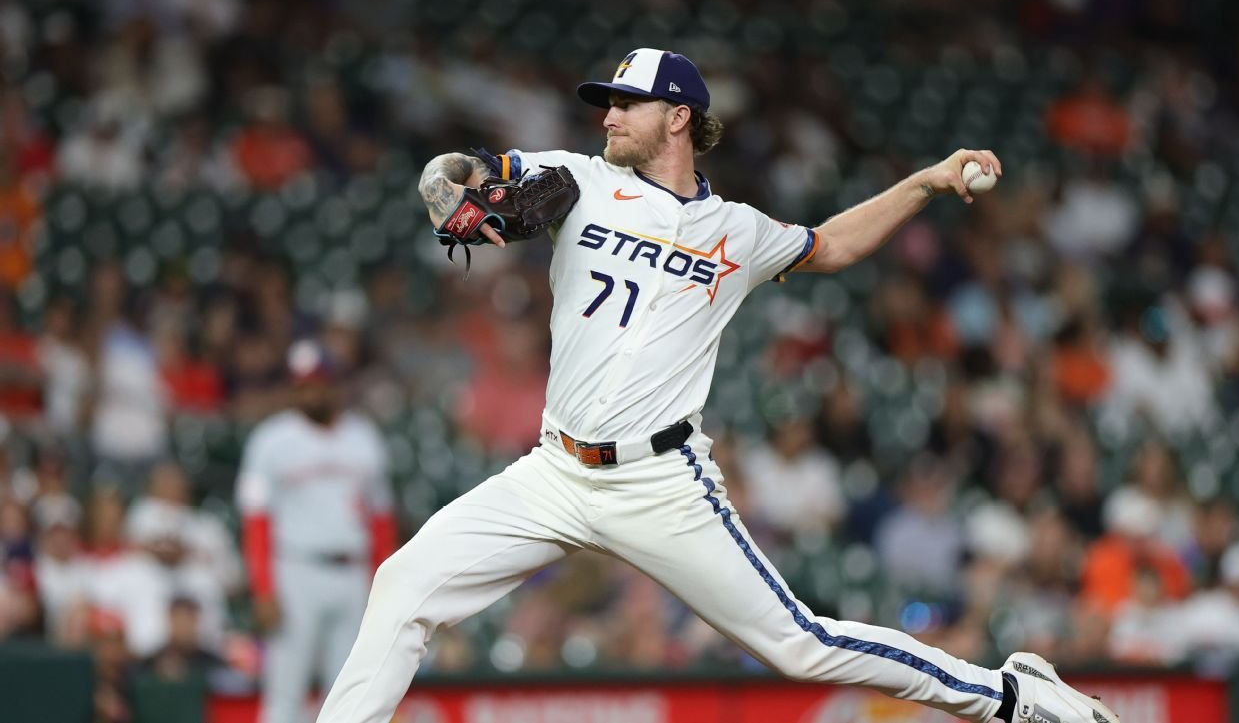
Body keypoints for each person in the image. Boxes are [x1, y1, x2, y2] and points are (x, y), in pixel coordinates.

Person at [318, 49, 1117, 723]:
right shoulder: (577, 179)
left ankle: (1009, 695)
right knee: (404, 584)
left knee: (801, 645)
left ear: (678, 117)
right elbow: (476, 172)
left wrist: (925, 183)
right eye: (607, 104)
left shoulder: (737, 229)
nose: (608, 116)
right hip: (554, 472)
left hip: (660, 483)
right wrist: (448, 178)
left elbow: (832, 245)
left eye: (625, 104)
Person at [236, 339, 395, 723]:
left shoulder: (364, 437)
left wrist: (383, 582)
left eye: (320, 383)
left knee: (351, 691)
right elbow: (256, 520)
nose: (312, 392)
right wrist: (264, 589)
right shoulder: (271, 440)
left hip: (353, 573)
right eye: (304, 385)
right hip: (295, 571)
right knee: (285, 692)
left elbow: (381, 519)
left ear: (335, 385)